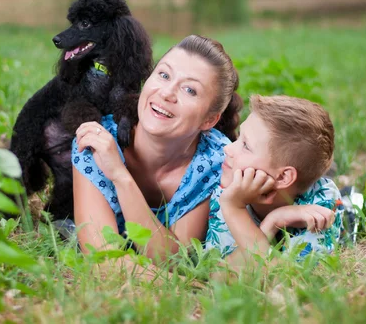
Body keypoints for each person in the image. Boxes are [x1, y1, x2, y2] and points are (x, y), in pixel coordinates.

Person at [71, 35, 244, 261]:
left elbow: (171, 260)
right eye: (164, 75)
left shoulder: (216, 162)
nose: (166, 93)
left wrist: (120, 176)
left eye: (189, 90)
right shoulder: (97, 142)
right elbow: (102, 258)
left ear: (209, 120)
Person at [205, 95, 343, 266]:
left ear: (283, 177)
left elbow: (285, 280)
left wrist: (235, 210)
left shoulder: (320, 202)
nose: (228, 148)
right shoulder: (229, 193)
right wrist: (272, 223)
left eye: (246, 146)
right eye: (239, 138)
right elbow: (219, 276)